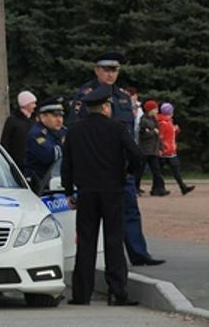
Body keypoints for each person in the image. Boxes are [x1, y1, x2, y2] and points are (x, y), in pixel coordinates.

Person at [69, 52, 164, 268]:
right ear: (96, 70)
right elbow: (76, 134)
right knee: (96, 222)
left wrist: (130, 167)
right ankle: (99, 265)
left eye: (115, 70)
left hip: (121, 168)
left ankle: (139, 253)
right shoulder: (85, 95)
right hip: (96, 170)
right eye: (106, 69)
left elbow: (130, 134)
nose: (111, 74)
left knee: (130, 210)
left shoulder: (122, 97)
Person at [62, 85, 142, 306]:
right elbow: (136, 155)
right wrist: (129, 175)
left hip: (86, 192)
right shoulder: (116, 128)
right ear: (106, 107)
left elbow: (66, 165)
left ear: (87, 108)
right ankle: (117, 292)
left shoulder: (75, 131)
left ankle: (81, 295)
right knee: (113, 241)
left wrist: (69, 191)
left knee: (86, 242)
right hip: (113, 191)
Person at [22, 96, 65, 193]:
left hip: (57, 184)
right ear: (43, 118)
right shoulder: (36, 134)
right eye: (55, 116)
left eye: (61, 116)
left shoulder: (62, 131)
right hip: (39, 187)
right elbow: (50, 155)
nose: (59, 120)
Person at [157, 103, 195, 196]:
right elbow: (161, 137)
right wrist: (161, 147)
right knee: (159, 170)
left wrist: (175, 130)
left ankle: (182, 187)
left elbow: (170, 135)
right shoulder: (163, 122)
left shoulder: (169, 121)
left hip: (171, 150)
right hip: (165, 150)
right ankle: (159, 188)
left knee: (174, 169)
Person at [138, 100, 169, 196]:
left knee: (156, 170)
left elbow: (157, 135)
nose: (157, 111)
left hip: (153, 149)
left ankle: (158, 188)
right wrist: (152, 132)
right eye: (155, 109)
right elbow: (142, 135)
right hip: (145, 150)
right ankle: (135, 187)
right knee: (140, 170)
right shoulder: (143, 120)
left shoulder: (154, 120)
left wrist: (160, 147)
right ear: (149, 110)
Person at [0, 90, 37, 168]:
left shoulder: (33, 120)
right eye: (32, 103)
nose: (35, 106)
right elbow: (5, 142)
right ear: (26, 104)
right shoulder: (12, 120)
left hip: (31, 164)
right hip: (16, 164)